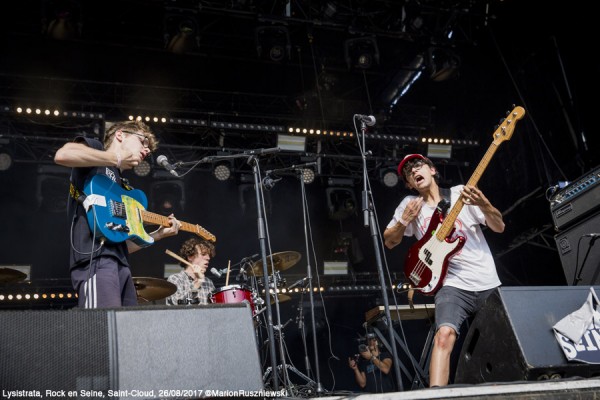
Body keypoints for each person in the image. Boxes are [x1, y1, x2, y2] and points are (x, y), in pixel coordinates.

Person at [383, 154, 505, 387]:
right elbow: (389, 241)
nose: (414, 172)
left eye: (418, 166)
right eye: (408, 173)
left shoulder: (461, 193)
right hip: (451, 284)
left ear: (432, 170)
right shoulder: (410, 204)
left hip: (487, 280)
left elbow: (499, 227)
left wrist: (484, 204)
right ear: (409, 183)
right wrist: (404, 220)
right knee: (443, 337)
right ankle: (437, 394)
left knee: (502, 339)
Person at [54, 120, 182, 308]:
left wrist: (158, 235)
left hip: (121, 266)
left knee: (124, 331)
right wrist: (115, 157)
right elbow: (63, 155)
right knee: (102, 329)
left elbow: (121, 245)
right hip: (95, 262)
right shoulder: (97, 151)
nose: (147, 151)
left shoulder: (124, 187)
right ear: (121, 135)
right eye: (143, 141)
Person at [166, 238, 216, 305]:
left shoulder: (208, 283)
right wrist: (198, 282)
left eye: (209, 255)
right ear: (190, 257)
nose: (208, 258)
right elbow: (179, 306)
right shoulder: (175, 279)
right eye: (203, 254)